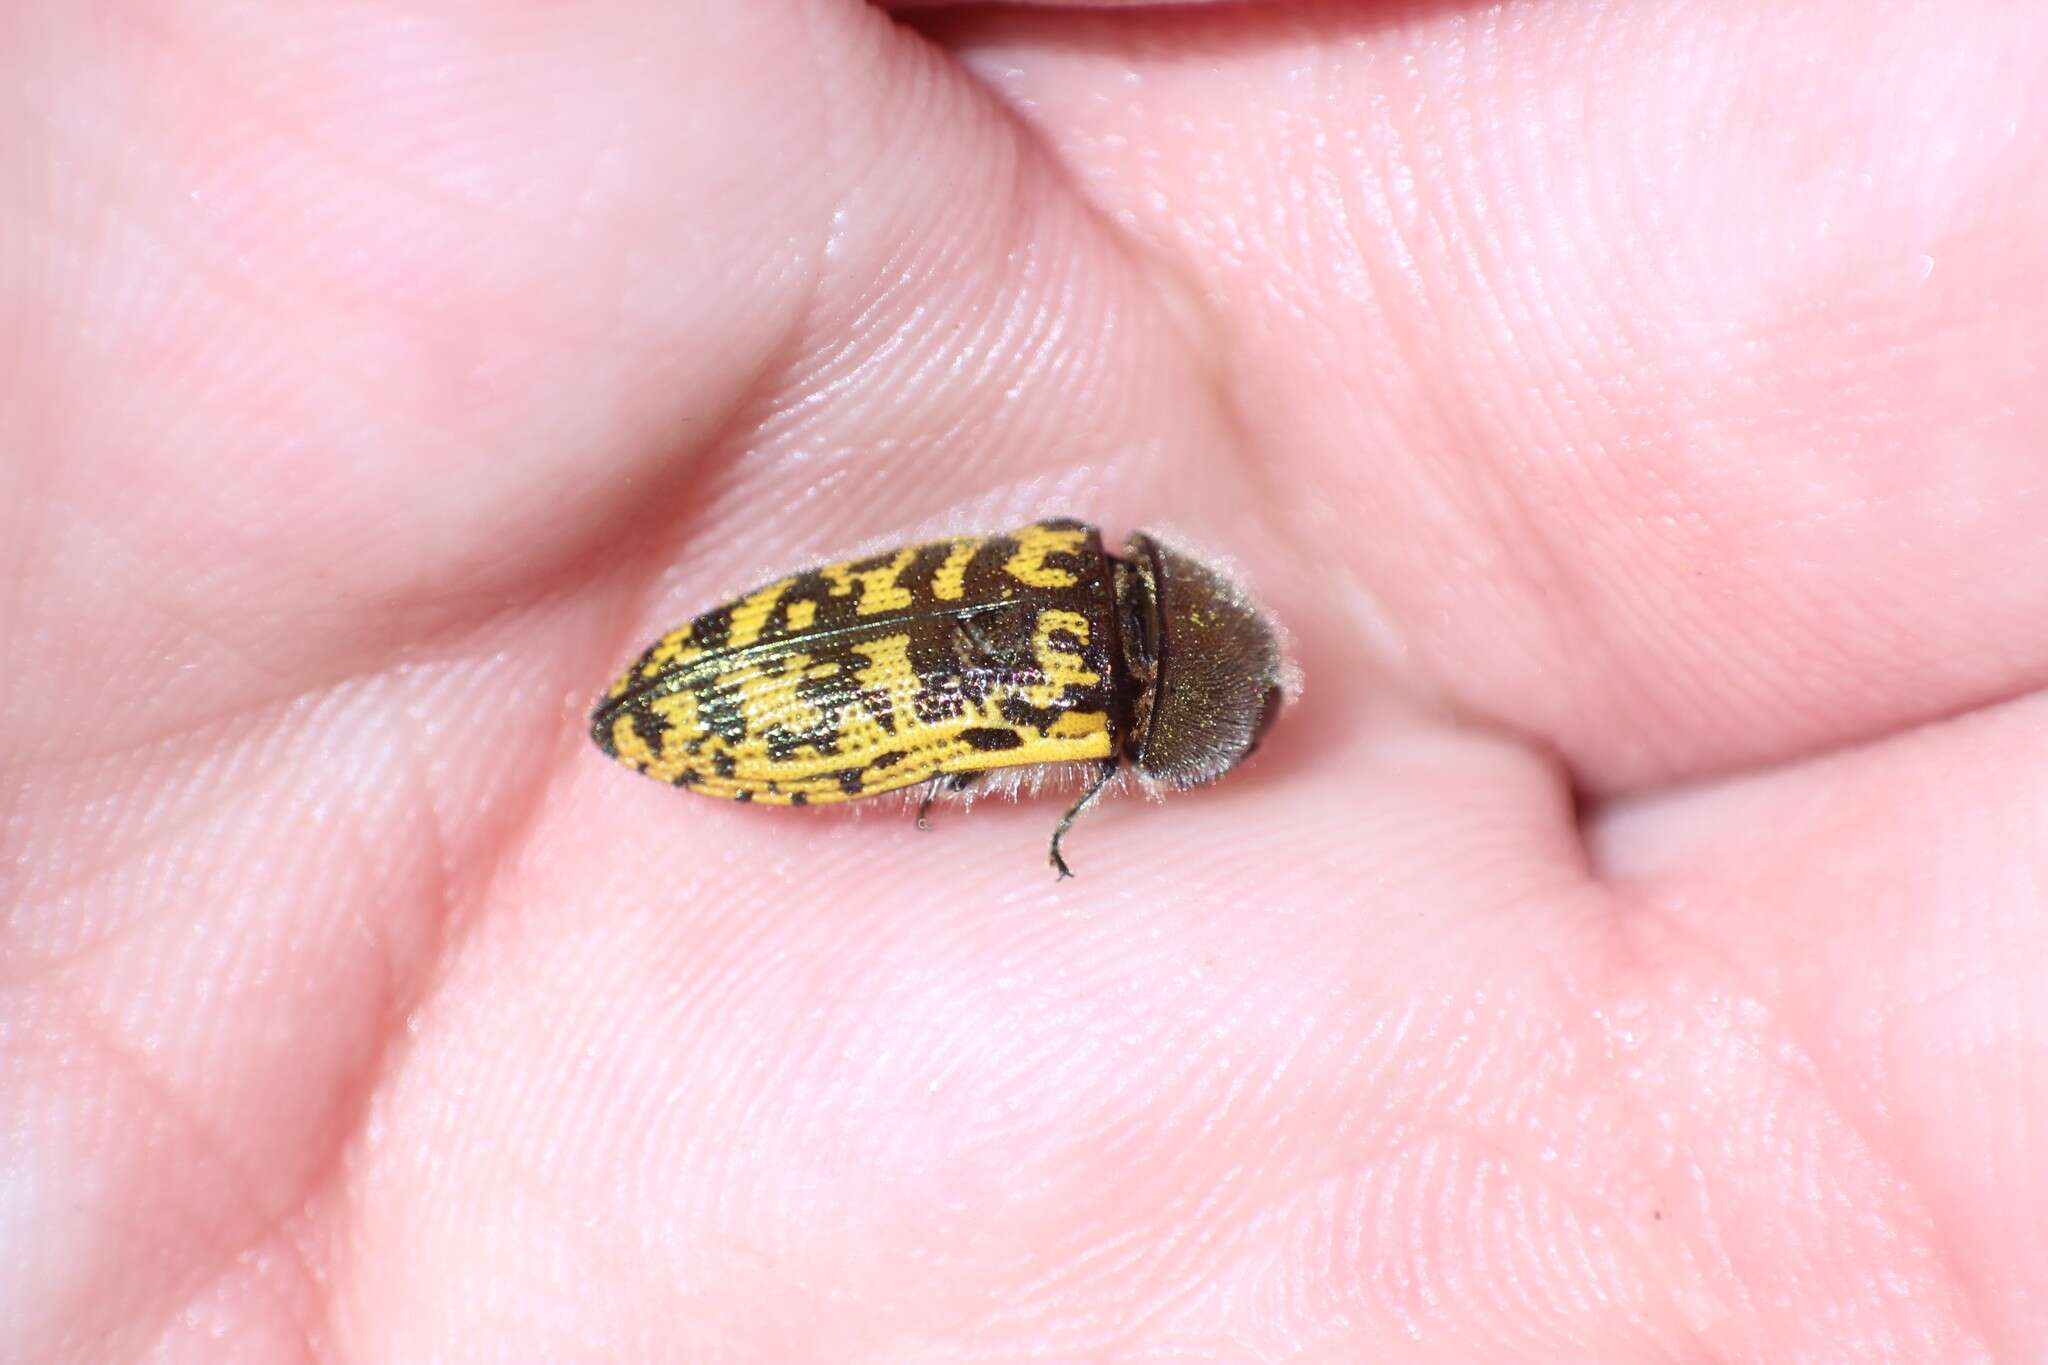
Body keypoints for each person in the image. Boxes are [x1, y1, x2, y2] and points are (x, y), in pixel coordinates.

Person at [7, 2, 2043, 1358]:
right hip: (747, 704)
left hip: (743, 683)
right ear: (1137, 741)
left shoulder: (1075, 575)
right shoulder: (1073, 694)